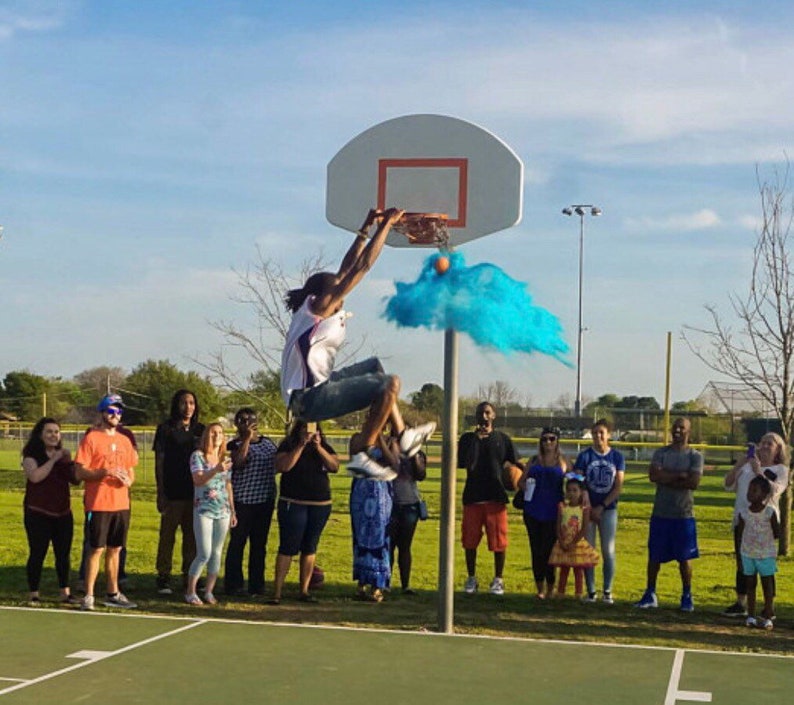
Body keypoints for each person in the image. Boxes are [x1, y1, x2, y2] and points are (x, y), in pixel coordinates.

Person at [280, 208, 434, 476]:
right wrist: (385, 225)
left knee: (375, 365)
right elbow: (361, 268)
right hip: (309, 399)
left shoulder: (311, 307)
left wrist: (365, 229)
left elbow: (347, 268)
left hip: (314, 390)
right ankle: (362, 452)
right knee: (389, 384)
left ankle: (403, 435)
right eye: (336, 288)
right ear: (323, 295)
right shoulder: (319, 308)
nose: (343, 294)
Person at [75, 394, 138, 610]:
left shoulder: (125, 440)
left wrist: (128, 480)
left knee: (115, 549)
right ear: (102, 413)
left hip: (121, 504)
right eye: (111, 411)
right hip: (99, 503)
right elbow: (80, 470)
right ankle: (89, 595)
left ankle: (113, 593)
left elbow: (131, 470)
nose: (115, 415)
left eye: (118, 411)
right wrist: (102, 472)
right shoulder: (91, 438)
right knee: (96, 549)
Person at [635, 417, 703, 612]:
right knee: (654, 556)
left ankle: (687, 595)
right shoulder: (661, 452)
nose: (677, 431)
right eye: (675, 427)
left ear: (689, 431)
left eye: (682, 428)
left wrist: (668, 477)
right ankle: (650, 593)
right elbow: (654, 476)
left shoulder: (694, 456)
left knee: (684, 558)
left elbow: (693, 482)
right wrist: (679, 475)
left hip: (683, 515)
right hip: (661, 513)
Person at [269, 420, 339, 604]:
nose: (309, 431)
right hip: (294, 503)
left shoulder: (324, 445)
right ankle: (277, 592)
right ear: (298, 429)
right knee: (288, 547)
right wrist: (301, 444)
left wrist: (318, 447)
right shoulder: (288, 444)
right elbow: (283, 466)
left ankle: (304, 591)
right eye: (305, 428)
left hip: (319, 504)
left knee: (310, 547)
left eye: (313, 428)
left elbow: (334, 466)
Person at [458, 402, 522, 596]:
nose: (484, 417)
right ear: (475, 417)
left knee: (498, 541)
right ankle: (471, 578)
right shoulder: (467, 439)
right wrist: (477, 440)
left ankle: (498, 579)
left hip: (495, 496)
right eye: (480, 413)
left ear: (494, 415)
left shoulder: (502, 439)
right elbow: (465, 462)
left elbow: (517, 462)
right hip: (473, 496)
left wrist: (522, 475)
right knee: (469, 541)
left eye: (487, 413)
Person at [722, 433, 789, 617]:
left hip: (765, 524)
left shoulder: (780, 470)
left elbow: (774, 491)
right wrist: (740, 464)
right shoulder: (747, 467)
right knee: (743, 563)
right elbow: (728, 485)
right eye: (763, 443)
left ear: (778, 449)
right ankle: (741, 602)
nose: (765, 446)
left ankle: (769, 606)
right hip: (744, 520)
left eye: (770, 444)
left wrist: (758, 470)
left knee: (765, 565)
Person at [21, 418, 79, 605]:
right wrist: (53, 460)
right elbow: (35, 477)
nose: (54, 435)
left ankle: (65, 592)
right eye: (49, 432)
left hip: (62, 511)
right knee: (38, 552)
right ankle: (34, 593)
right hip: (38, 511)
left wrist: (69, 462)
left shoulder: (62, 455)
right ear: (40, 434)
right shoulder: (31, 455)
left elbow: (75, 480)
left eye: (56, 432)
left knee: (63, 554)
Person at [153, 389, 205, 595]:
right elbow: (160, 461)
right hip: (172, 492)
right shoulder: (165, 429)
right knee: (167, 536)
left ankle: (189, 575)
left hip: (194, 493)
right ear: (177, 405)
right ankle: (163, 576)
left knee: (192, 537)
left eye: (192, 403)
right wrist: (160, 492)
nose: (188, 407)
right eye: (184, 403)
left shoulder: (201, 430)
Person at [223, 408, 278, 597]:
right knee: (237, 543)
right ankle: (233, 584)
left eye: (250, 420)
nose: (246, 424)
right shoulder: (233, 444)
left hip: (264, 501)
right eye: (242, 421)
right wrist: (246, 439)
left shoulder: (268, 444)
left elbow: (277, 464)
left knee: (259, 545)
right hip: (242, 501)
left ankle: (257, 585)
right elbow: (238, 462)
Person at [574, 419, 625, 604]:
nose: (598, 437)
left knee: (608, 549)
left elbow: (618, 486)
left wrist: (602, 506)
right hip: (587, 508)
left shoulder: (616, 457)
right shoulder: (585, 456)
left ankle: (607, 591)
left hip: (608, 509)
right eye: (595, 433)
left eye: (601, 433)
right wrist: (586, 496)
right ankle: (591, 591)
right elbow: (578, 480)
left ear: (609, 435)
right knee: (589, 549)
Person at [185, 423, 235, 605]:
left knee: (216, 552)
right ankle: (190, 591)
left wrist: (233, 510)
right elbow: (198, 480)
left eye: (220, 433)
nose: (217, 436)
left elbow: (228, 485)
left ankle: (209, 591)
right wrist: (215, 470)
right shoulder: (197, 456)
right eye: (213, 433)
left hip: (223, 510)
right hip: (203, 509)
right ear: (207, 436)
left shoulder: (225, 458)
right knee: (204, 552)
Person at [519, 426, 568, 599]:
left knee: (549, 550)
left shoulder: (563, 462)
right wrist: (528, 488)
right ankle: (539, 588)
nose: (548, 442)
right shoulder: (534, 461)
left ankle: (550, 587)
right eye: (544, 439)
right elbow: (521, 482)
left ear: (557, 441)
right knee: (536, 550)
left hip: (553, 513)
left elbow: (575, 481)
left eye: (552, 439)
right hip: (533, 511)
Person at [349, 428, 397, 602]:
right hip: (361, 492)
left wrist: (381, 441)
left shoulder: (390, 441)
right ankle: (361, 584)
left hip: (381, 493)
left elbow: (394, 463)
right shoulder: (357, 438)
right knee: (360, 536)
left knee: (380, 537)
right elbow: (354, 458)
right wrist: (368, 438)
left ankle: (377, 585)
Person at [737, 476, 780, 630]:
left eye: (754, 490)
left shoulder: (769, 512)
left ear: (764, 495)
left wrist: (765, 541)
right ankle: (751, 615)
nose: (750, 493)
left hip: (766, 554)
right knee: (750, 584)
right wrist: (741, 553)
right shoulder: (743, 513)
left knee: (767, 584)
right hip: (748, 553)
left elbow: (776, 532)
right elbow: (740, 533)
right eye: (749, 490)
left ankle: (768, 615)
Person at [548, 474, 599, 599]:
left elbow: (584, 528)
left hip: (577, 543)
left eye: (575, 490)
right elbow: (558, 524)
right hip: (563, 541)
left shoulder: (584, 509)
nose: (571, 493)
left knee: (578, 570)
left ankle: (578, 592)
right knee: (564, 568)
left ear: (581, 492)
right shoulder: (562, 507)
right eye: (569, 490)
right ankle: (560, 592)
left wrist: (573, 543)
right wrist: (561, 540)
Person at [389, 445, 427, 595]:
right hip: (391, 504)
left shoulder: (417, 454)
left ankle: (406, 584)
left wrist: (413, 455)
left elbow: (421, 475)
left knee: (405, 546)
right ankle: (386, 582)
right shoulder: (389, 452)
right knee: (389, 546)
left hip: (410, 504)